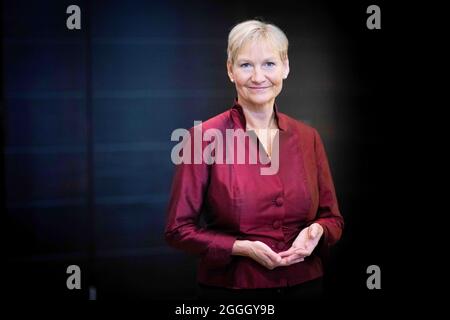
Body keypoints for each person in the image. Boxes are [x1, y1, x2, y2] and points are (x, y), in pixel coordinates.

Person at [165, 19, 344, 300]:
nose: (258, 77)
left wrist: (318, 230)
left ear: (286, 67)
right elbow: (177, 230)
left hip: (306, 286)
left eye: (269, 64)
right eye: (246, 65)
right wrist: (240, 247)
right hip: (234, 291)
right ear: (230, 71)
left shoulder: (309, 137)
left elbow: (333, 218)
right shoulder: (202, 138)